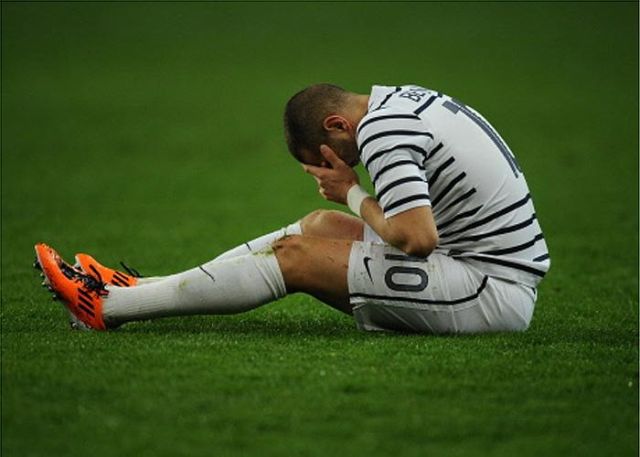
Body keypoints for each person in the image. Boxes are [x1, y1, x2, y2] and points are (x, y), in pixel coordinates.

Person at [35, 83, 550, 333]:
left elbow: (417, 238)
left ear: (337, 125)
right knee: (318, 225)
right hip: (472, 263)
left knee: (295, 257)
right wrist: (348, 198)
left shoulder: (382, 130)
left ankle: (108, 308)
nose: (337, 164)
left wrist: (351, 191)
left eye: (329, 157)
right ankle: (137, 287)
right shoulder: (400, 99)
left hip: (490, 289)